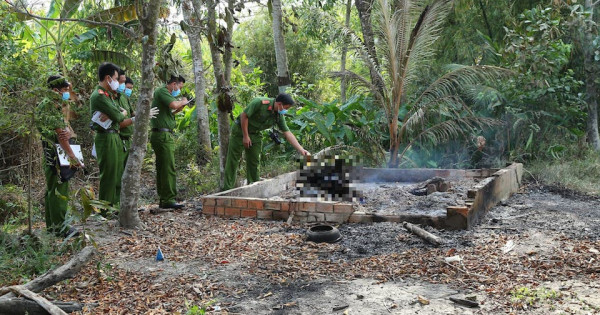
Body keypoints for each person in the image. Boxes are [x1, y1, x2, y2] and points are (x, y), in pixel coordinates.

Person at [223, 93, 310, 191]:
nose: (286, 110)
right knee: (233, 161)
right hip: (240, 131)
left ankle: (253, 187)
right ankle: (227, 190)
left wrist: (301, 150)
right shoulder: (260, 102)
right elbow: (244, 116)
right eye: (286, 107)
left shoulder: (278, 115)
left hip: (255, 134)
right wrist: (245, 136)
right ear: (279, 104)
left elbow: (287, 133)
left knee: (254, 161)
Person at [38, 75, 83, 237]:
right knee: (59, 189)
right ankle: (60, 228)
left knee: (52, 189)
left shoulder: (49, 104)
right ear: (55, 90)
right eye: (64, 90)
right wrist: (72, 157)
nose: (67, 93)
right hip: (56, 153)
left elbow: (65, 132)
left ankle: (52, 227)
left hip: (51, 151)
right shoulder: (50, 107)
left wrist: (68, 85)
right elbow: (61, 136)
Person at [90, 62, 130, 213]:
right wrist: (122, 114)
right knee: (108, 175)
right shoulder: (99, 96)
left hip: (114, 136)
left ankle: (115, 206)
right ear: (108, 78)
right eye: (115, 78)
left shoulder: (108, 96)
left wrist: (121, 113)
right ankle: (105, 209)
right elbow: (118, 115)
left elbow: (118, 114)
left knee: (117, 173)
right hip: (105, 138)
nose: (117, 82)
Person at [150, 75, 188, 209]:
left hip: (164, 134)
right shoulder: (162, 91)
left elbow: (170, 111)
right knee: (167, 167)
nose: (179, 90)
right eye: (179, 87)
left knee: (164, 167)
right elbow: (173, 104)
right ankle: (168, 199)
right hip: (162, 135)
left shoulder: (164, 94)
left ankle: (164, 197)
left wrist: (180, 108)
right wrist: (182, 101)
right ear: (173, 84)